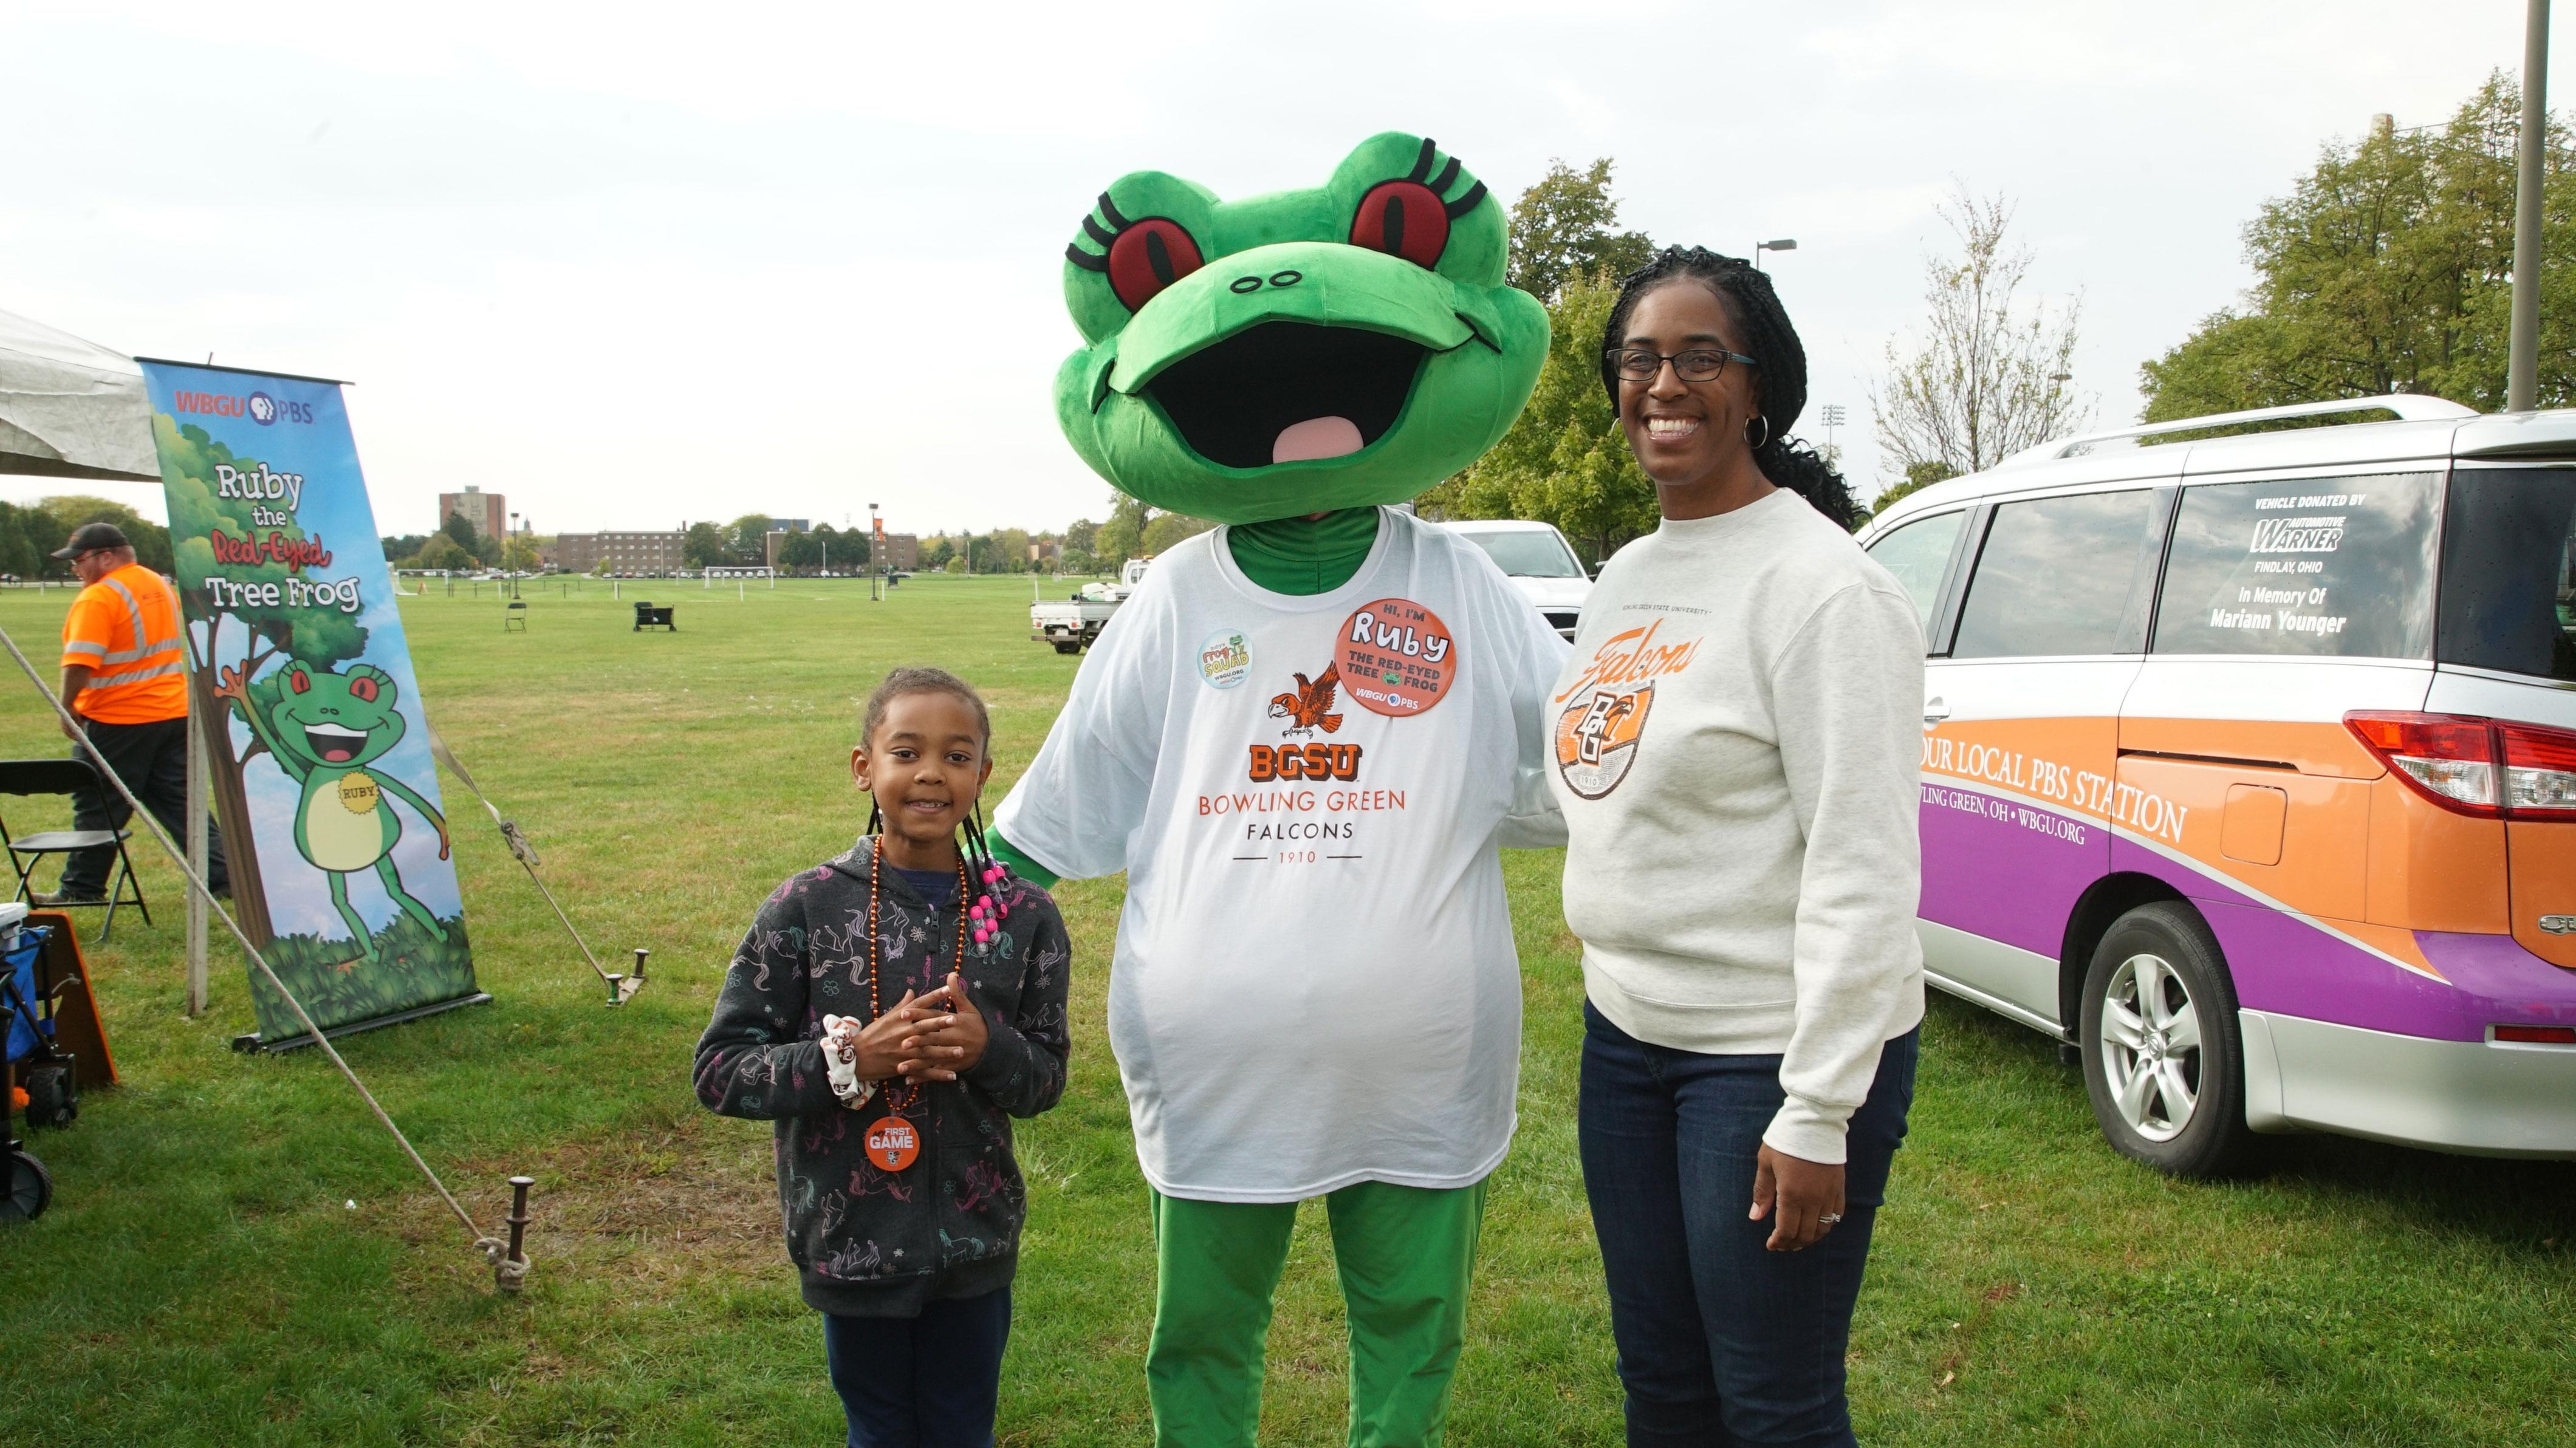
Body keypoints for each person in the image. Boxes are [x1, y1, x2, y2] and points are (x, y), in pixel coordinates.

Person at [1549, 247, 1926, 1448]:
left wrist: (1815, 1109)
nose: (1663, 383)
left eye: (1698, 357)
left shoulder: (1821, 589)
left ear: (1759, 385)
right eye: (1639, 359)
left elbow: (1862, 868)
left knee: (1772, 1403)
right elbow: (1598, 777)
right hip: (1626, 1042)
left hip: (1762, 1060)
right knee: (1660, 1385)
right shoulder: (1626, 578)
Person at [693, 668, 1070, 1448]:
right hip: (851, 1238)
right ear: (866, 767)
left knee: (963, 1427)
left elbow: (1045, 1078)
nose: (931, 772)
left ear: (983, 776)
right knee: (881, 1429)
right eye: (907, 751)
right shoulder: (805, 906)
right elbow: (722, 1069)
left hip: (975, 1237)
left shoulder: (1024, 914)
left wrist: (986, 1048)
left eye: (957, 755)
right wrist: (852, 1059)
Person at [41, 521, 227, 904]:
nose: (75, 568)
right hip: (172, 713)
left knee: (97, 805)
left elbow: (80, 662)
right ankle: (224, 879)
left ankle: (82, 888)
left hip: (119, 719)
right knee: (182, 804)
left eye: (79, 560)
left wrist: (68, 709)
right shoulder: (157, 584)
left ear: (105, 557)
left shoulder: (100, 597)